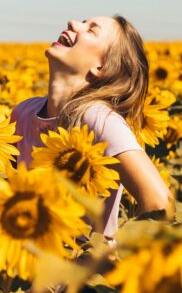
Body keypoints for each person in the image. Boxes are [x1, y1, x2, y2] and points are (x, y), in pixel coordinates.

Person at [11, 15, 172, 237]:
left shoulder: (97, 119)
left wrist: (121, 257)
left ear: (101, 67)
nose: (72, 23)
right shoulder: (23, 113)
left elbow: (159, 202)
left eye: (91, 30)